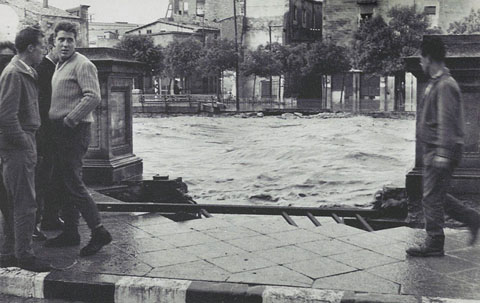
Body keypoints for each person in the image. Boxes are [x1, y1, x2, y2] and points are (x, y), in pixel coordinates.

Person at [406, 37, 480, 257]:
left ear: (429, 58)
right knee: (437, 194)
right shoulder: (438, 82)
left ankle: (435, 242)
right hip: (435, 149)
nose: (420, 62)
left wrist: (442, 153)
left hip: (440, 150)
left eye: (421, 58)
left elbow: (447, 121)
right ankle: (473, 219)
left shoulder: (445, 85)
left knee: (430, 197)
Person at [44, 22, 112, 257]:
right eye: (61, 39)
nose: (65, 44)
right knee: (64, 182)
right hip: (61, 131)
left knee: (73, 182)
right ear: (54, 41)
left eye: (70, 40)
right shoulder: (60, 64)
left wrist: (69, 120)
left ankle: (99, 231)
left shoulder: (83, 64)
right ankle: (71, 232)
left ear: (77, 42)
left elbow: (93, 97)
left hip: (74, 131)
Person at [0, 26, 51, 272]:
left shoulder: (22, 71)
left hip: (22, 143)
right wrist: (24, 143)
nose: (44, 51)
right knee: (25, 203)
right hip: (19, 146)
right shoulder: (14, 73)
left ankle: (11, 252)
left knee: (17, 202)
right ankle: (24, 256)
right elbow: (6, 117)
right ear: (30, 48)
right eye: (42, 46)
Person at [34, 33, 63, 238]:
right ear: (51, 46)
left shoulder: (56, 68)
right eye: (59, 43)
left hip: (52, 131)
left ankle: (50, 217)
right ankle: (41, 220)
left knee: (53, 177)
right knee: (43, 178)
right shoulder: (44, 69)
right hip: (45, 132)